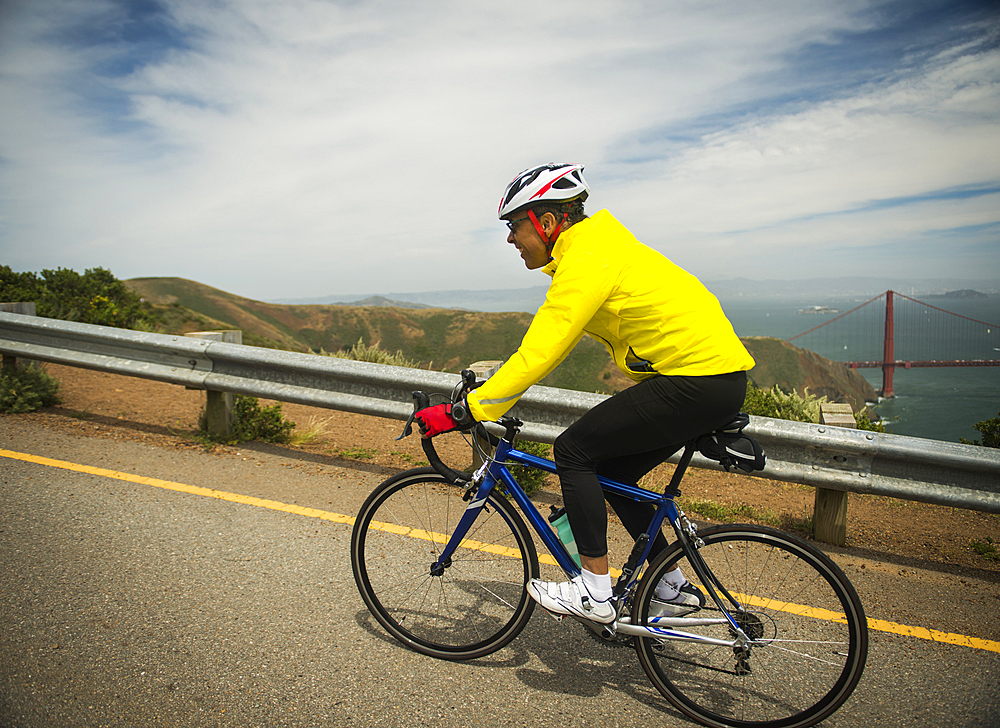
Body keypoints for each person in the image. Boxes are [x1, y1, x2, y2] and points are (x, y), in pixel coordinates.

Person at [415, 163, 755, 624]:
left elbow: (542, 349)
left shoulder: (589, 257)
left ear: (548, 222)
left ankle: (594, 592)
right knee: (613, 472)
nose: (511, 239)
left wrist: (467, 409)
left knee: (572, 451)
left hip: (695, 381)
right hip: (712, 381)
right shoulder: (600, 248)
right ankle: (669, 588)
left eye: (515, 226)